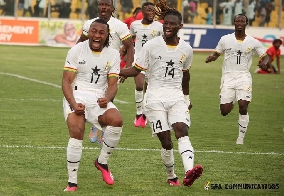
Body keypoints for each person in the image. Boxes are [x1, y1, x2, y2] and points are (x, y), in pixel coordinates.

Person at [119, 0, 203, 187]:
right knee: (166, 141)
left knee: (182, 130)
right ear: (162, 24)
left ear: (180, 26)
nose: (168, 27)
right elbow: (136, 70)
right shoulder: (151, 45)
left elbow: (185, 76)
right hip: (154, 98)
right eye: (166, 23)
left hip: (176, 97)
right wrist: (114, 73)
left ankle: (189, 171)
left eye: (173, 24)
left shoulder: (187, 49)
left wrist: (187, 98)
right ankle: (171, 175)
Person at [62, 18, 123, 192]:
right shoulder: (76, 50)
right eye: (93, 32)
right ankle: (72, 182)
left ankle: (102, 162)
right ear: (89, 33)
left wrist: (108, 98)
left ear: (107, 35)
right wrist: (73, 104)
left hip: (98, 97)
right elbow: (66, 81)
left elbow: (113, 84)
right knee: (76, 130)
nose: (96, 35)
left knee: (116, 120)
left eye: (101, 32)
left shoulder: (113, 54)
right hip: (76, 93)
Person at [205, 14, 269, 145]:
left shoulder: (253, 41)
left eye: (242, 21)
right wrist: (212, 57)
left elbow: (265, 56)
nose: (240, 23)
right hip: (228, 77)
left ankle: (240, 138)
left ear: (246, 23)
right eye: (237, 21)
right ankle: (231, 101)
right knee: (224, 111)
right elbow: (217, 53)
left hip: (243, 76)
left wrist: (265, 62)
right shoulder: (225, 39)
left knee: (243, 106)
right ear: (234, 23)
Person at [76, 0, 134, 144]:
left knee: (109, 97)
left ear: (112, 8)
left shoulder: (119, 26)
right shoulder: (89, 24)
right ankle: (96, 125)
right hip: (91, 66)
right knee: (90, 95)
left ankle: (102, 128)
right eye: (101, 4)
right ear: (98, 7)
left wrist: (127, 67)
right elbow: (81, 42)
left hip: (111, 67)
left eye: (107, 5)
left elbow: (130, 46)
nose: (104, 7)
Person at [130, 1, 163, 128]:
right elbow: (131, 39)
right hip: (139, 59)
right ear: (142, 12)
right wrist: (126, 51)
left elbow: (164, 41)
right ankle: (139, 113)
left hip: (154, 61)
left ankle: (145, 112)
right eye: (148, 10)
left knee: (149, 89)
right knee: (139, 85)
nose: (151, 12)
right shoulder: (134, 25)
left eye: (153, 10)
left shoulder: (159, 26)